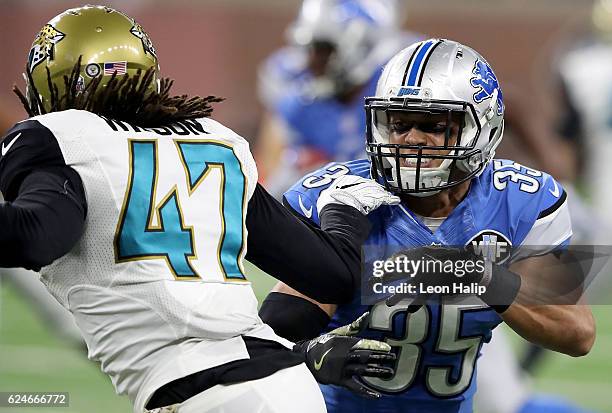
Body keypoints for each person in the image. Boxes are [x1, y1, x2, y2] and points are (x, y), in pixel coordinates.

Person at [0, 5, 400, 413]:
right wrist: (342, 209)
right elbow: (331, 276)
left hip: (199, 395)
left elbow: (35, 236)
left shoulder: (61, 137)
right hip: (287, 386)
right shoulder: (214, 139)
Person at [259, 39, 596, 412]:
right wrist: (306, 354)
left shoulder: (517, 200)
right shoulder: (344, 201)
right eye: (399, 124)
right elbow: (271, 333)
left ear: (481, 130)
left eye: (433, 125)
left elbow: (577, 333)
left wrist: (477, 277)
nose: (412, 139)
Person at [255, 0, 421, 196]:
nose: (310, 62)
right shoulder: (297, 96)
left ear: (364, 46)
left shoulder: (409, 83)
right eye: (310, 49)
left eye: (324, 49)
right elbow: (272, 171)